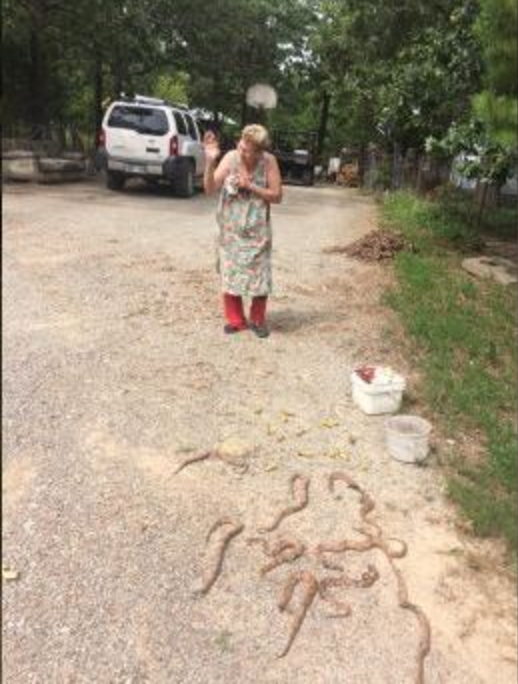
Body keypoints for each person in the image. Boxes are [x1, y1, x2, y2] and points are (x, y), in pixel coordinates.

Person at [203, 124, 283, 338]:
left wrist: (250, 186)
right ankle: (236, 320)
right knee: (230, 272)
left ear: (259, 151)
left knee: (260, 273)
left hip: (258, 229)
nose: (241, 150)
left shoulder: (268, 161)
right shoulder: (230, 158)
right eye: (241, 144)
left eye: (247, 149)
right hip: (231, 228)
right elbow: (209, 189)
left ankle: (257, 319)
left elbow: (277, 195)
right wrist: (210, 162)